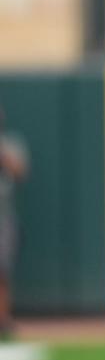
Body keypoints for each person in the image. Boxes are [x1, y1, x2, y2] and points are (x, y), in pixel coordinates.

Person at [0, 107, 27, 339]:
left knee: (3, 268)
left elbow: (20, 170)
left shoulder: (9, 142)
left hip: (2, 214)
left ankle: (3, 318)